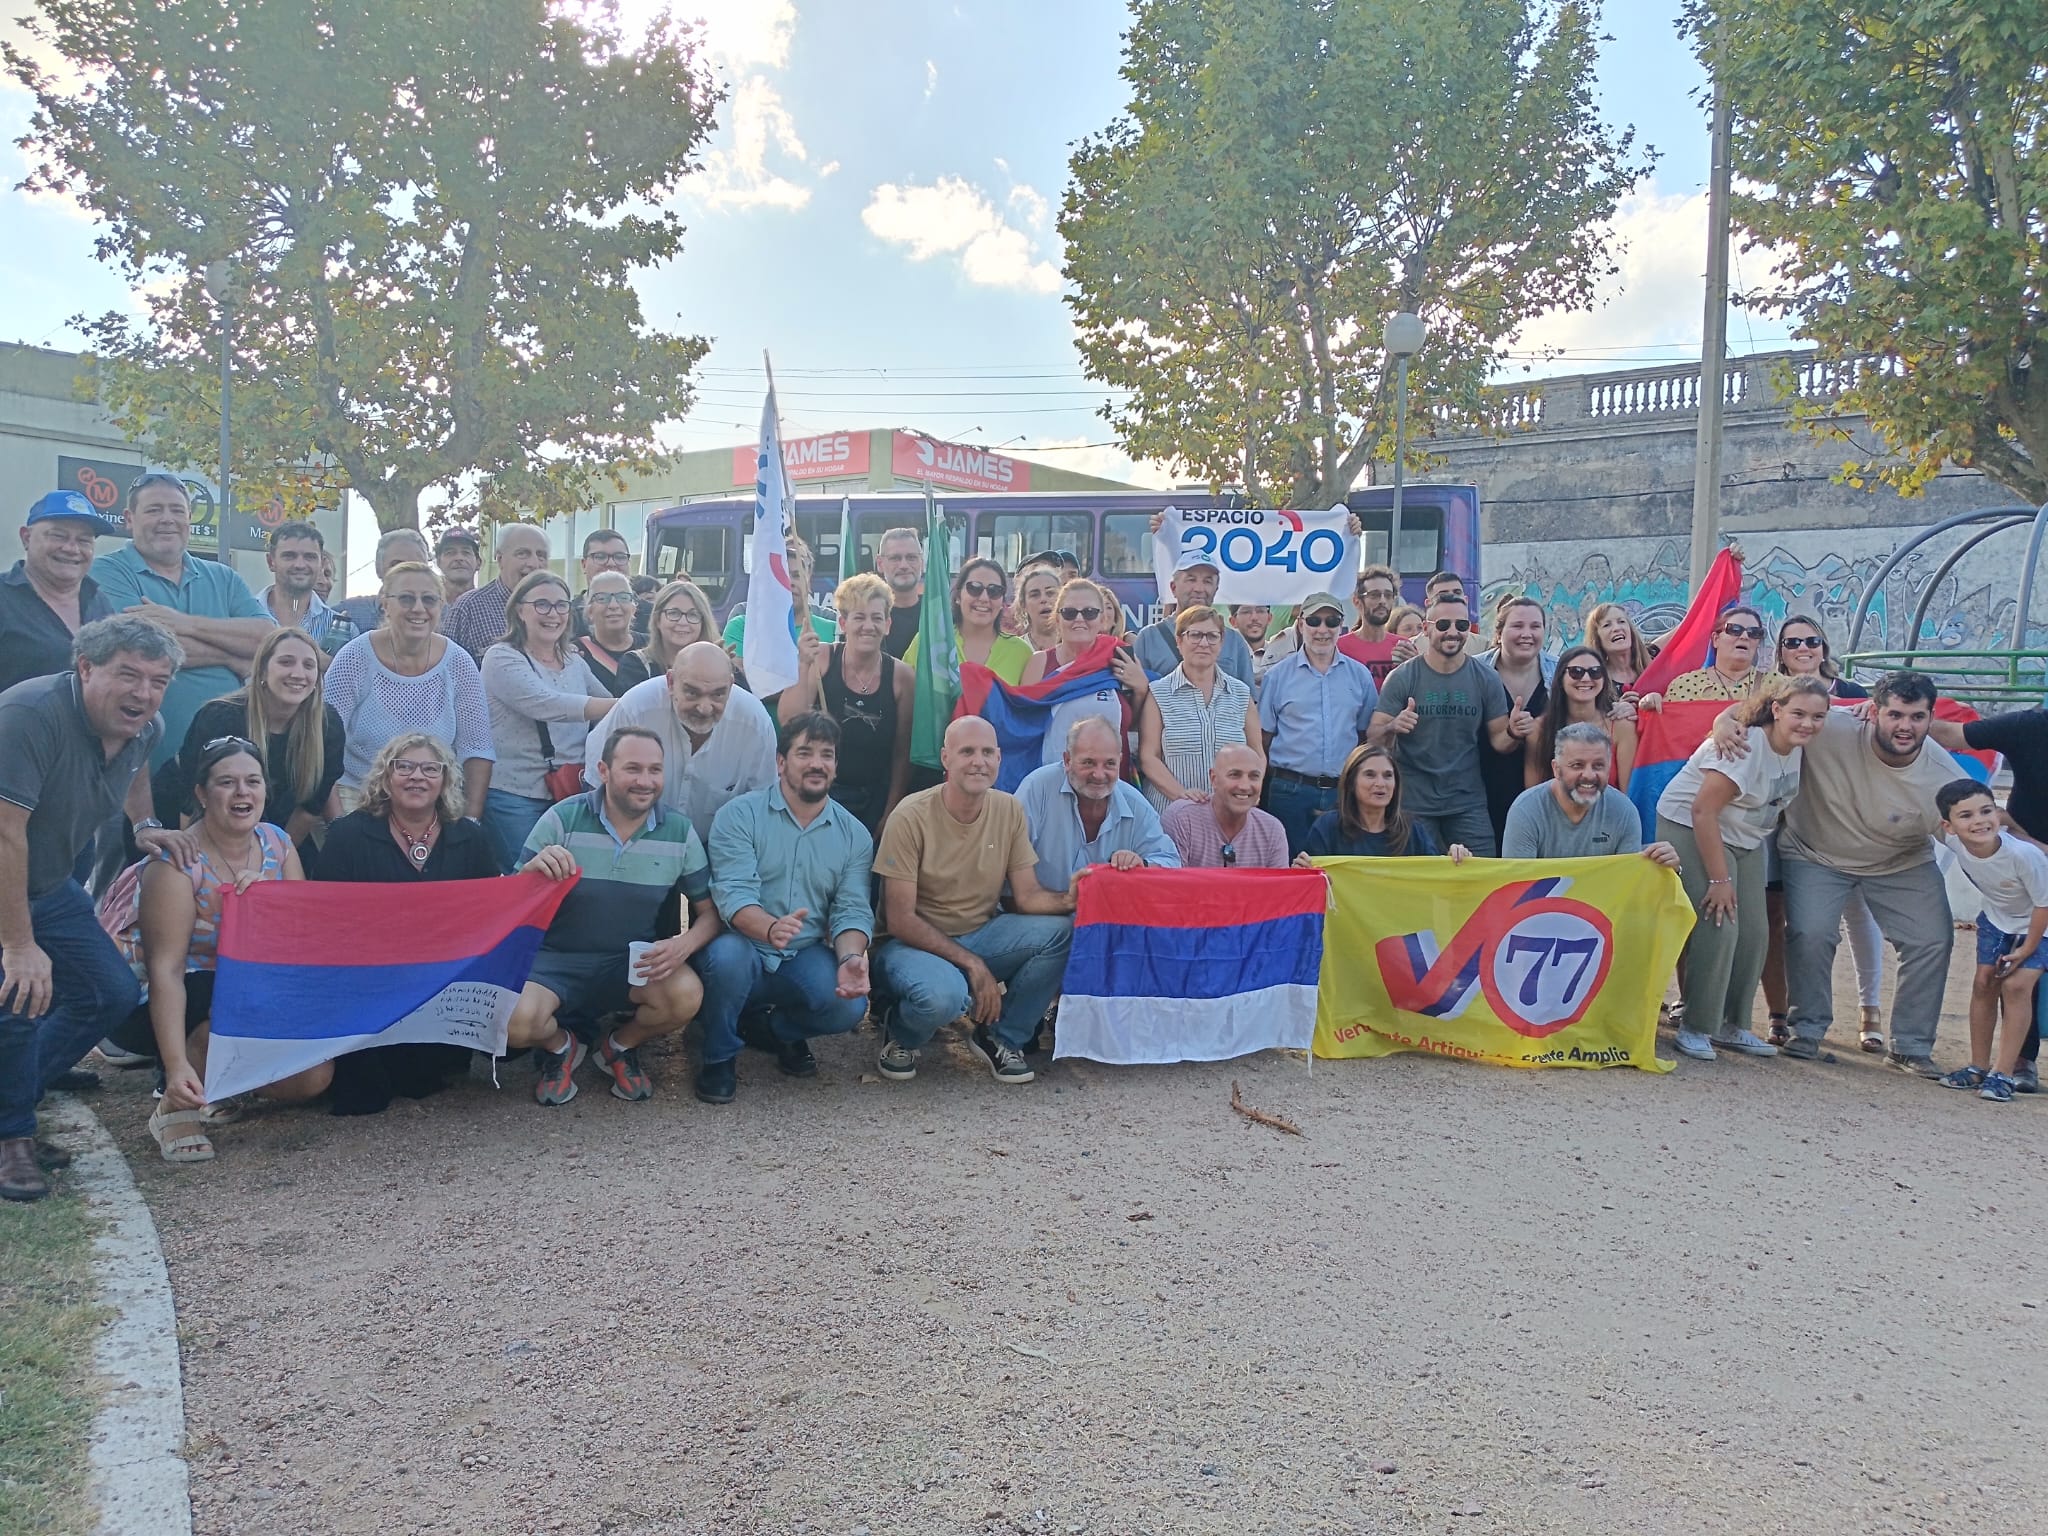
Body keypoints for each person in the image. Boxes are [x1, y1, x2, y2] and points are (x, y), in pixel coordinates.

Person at [0, 616, 188, 1200]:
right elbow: (5, 835)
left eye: (157, 680)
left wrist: (145, 824)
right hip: (8, 872)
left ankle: (16, 1096)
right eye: (127, 675)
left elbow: (132, 772)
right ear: (85, 668)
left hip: (48, 881)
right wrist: (19, 945)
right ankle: (12, 1139)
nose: (143, 693)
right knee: (18, 1000)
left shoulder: (144, 727)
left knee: (107, 992)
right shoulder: (30, 715)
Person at [1714, 671, 1964, 1072]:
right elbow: (1765, 711)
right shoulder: (1831, 724)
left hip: (1900, 861)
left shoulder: (1945, 777)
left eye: (1917, 717)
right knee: (1810, 932)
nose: (1905, 726)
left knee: (1932, 939)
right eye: (1895, 714)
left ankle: (1911, 1045)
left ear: (1930, 718)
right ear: (1873, 712)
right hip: (1814, 852)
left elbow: (1973, 838)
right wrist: (1724, 721)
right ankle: (1807, 1030)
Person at [105, 737, 320, 1162]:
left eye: (252, 781)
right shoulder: (177, 861)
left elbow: (303, 940)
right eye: (227, 782)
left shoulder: (277, 842)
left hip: (248, 985)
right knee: (223, 995)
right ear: (201, 794)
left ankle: (225, 1086)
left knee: (311, 1080)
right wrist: (174, 1064)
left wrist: (270, 907)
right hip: (159, 997)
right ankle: (176, 1102)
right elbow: (165, 969)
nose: (243, 792)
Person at [510, 726, 715, 1105]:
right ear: (603, 770)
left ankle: (617, 1046)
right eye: (632, 768)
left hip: (628, 961)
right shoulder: (562, 819)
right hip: (554, 961)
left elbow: (710, 914)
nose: (645, 781)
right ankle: (562, 1048)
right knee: (511, 1020)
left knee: (686, 995)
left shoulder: (679, 832)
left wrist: (684, 944)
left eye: (655, 770)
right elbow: (506, 900)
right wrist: (529, 872)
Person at [869, 716, 1074, 1086]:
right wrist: (974, 966)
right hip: (911, 945)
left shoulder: (1009, 810)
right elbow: (899, 920)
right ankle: (900, 1033)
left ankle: (1001, 1035)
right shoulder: (910, 816)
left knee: (1062, 931)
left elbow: (1027, 897)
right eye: (967, 752)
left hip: (981, 934)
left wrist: (1077, 898)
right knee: (944, 997)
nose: (978, 761)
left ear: (999, 758)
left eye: (986, 752)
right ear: (945, 759)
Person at [313, 732, 502, 1114]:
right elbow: (322, 917)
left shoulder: (469, 837)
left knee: (423, 1081)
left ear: (446, 781)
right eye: (405, 767)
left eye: (431, 769)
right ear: (385, 777)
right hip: (367, 987)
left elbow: (493, 909)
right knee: (364, 1095)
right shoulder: (348, 835)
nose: (418, 777)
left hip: (440, 985)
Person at [692, 713, 875, 1096]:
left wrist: (850, 958)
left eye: (827, 755)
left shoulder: (854, 834)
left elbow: (852, 909)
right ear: (780, 762)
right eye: (804, 753)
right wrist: (770, 928)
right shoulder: (739, 816)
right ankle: (718, 1056)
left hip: (802, 953)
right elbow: (733, 894)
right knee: (727, 960)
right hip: (742, 945)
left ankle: (776, 1031)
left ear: (836, 766)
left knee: (849, 1007)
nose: (816, 764)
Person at [1662, 676, 1831, 1061]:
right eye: (1798, 714)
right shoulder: (1746, 745)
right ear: (1776, 710)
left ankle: (1732, 1023)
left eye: (1817, 717)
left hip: (1746, 836)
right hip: (1692, 826)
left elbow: (1854, 708)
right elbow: (1702, 810)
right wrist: (1719, 880)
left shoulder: (1797, 744)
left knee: (1755, 932)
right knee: (1719, 922)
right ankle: (1696, 1025)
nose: (1808, 723)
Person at [91, 472, 273, 771]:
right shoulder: (107, 572)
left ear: (189, 518)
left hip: (224, 768)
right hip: (139, 765)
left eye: (177, 510)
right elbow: (142, 650)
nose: (167, 519)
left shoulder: (223, 577)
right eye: (154, 510)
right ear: (128, 518)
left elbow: (266, 637)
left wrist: (182, 623)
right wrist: (232, 655)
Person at [1761, 613, 1880, 1050]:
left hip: (1841, 817)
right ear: (1781, 652)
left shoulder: (1851, 694)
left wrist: (1875, 712)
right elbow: (1732, 721)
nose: (1803, 649)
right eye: (1792, 643)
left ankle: (1870, 1010)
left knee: (1857, 912)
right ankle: (1785, 1011)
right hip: (1782, 818)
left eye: (1811, 640)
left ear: (1824, 647)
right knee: (1789, 921)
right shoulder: (1767, 696)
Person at [1930, 701, 2048, 1088]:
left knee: (2020, 974)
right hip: (2032, 856)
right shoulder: (2028, 725)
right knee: (2007, 980)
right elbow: (1951, 734)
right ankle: (2014, 1063)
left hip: (2031, 871)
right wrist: (1889, 714)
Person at [323, 562, 495, 820]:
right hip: (357, 797)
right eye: (406, 598)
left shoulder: (459, 663)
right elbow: (323, 746)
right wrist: (339, 827)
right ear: (385, 604)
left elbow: (477, 749)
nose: (418, 608)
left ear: (441, 606)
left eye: (429, 599)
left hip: (434, 801)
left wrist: (469, 821)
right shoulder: (354, 657)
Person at [155, 627, 345, 855]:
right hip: (182, 820)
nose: (298, 673)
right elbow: (190, 800)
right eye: (286, 662)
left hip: (276, 828)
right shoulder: (220, 717)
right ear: (263, 671)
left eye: (308, 665)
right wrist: (197, 865)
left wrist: (272, 860)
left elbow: (309, 809)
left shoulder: (327, 725)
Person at [1370, 593, 1528, 858]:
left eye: (1461, 625)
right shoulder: (1403, 677)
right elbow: (1373, 738)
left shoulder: (1486, 677)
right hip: (1413, 802)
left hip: (1467, 802)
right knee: (1419, 885)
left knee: (1481, 879)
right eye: (1443, 625)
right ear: (1426, 628)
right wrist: (1393, 726)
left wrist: (1514, 731)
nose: (1453, 632)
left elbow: (1500, 740)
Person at [480, 569, 615, 868]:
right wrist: (627, 703)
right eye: (542, 604)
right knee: (529, 881)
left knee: (570, 881)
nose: (552, 613)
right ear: (519, 610)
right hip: (516, 795)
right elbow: (547, 704)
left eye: (561, 605)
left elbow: (607, 709)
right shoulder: (501, 657)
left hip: (570, 792)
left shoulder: (573, 660)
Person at [584, 641, 777, 842]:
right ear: (670, 682)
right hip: (633, 844)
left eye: (718, 694)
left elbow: (762, 806)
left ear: (730, 685)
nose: (704, 708)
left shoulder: (755, 723)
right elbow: (596, 787)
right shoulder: (635, 707)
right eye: (692, 693)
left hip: (717, 849)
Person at [780, 573, 912, 837]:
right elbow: (789, 721)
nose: (868, 626)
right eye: (859, 617)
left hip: (876, 796)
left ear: (887, 624)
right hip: (824, 793)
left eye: (876, 618)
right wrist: (803, 663)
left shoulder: (902, 676)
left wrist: (891, 812)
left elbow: (903, 752)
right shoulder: (823, 659)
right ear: (843, 622)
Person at [1257, 591, 1380, 855]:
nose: (1322, 629)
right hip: (1289, 792)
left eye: (1331, 621)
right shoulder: (1277, 676)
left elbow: (1364, 736)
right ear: (1301, 624)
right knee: (1291, 873)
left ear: (1341, 625)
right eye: (1314, 621)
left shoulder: (1360, 676)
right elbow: (1263, 738)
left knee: (1342, 874)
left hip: (1343, 792)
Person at [1018, 717, 1182, 895]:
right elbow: (1008, 859)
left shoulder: (1135, 804)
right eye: (1088, 762)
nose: (1099, 774)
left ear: (1120, 762)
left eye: (1109, 764)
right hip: (1037, 913)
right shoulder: (1037, 788)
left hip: (1103, 916)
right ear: (1067, 761)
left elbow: (1170, 861)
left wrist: (1143, 864)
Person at [1018, 578, 1151, 774]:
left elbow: (1133, 725)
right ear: (1057, 619)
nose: (1079, 619)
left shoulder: (1121, 656)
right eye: (1070, 613)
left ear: (1102, 619)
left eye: (1089, 612)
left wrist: (1141, 689)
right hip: (1052, 778)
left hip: (1108, 779)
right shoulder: (1039, 663)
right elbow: (1023, 728)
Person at [1137, 605, 1260, 811]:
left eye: (1212, 636)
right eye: (1195, 635)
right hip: (1171, 812)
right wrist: (1182, 796)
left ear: (1221, 643)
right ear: (1179, 641)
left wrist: (1250, 792)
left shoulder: (1240, 694)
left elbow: (1257, 753)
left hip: (1229, 815)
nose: (1204, 643)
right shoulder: (1158, 693)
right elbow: (1149, 757)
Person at [1505, 722, 1679, 864]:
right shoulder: (1526, 810)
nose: (1589, 775)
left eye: (1598, 766)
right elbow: (1517, 885)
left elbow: (1629, 883)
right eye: (1577, 765)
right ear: (1556, 770)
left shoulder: (1624, 811)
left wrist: (1664, 865)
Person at [0, 490, 116, 697]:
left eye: (84, 540)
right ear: (26, 538)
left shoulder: (100, 602)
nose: (71, 548)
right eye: (58, 535)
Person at [1476, 595, 1555, 849]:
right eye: (1517, 626)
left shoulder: (1562, 670)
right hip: (1483, 790)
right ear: (1499, 633)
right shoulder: (1474, 670)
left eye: (1535, 626)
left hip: (1542, 793)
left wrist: (1623, 706)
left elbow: (1595, 707)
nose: (1527, 634)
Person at [1293, 744, 1462, 860]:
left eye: (1388, 775)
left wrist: (1457, 858)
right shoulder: (1327, 827)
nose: (1380, 783)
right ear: (1351, 782)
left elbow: (1434, 879)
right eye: (1370, 775)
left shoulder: (1412, 830)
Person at [1134, 550, 1257, 688]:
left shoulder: (1234, 642)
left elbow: (1248, 700)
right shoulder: (1148, 638)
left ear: (1216, 589)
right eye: (1191, 580)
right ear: (1173, 588)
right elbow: (1138, 695)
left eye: (1207, 581)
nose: (1199, 588)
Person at [904, 558, 1033, 683]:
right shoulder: (928, 643)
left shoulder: (1021, 652)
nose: (984, 598)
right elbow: (903, 692)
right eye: (974, 588)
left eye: (994, 591)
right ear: (958, 596)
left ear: (1002, 601)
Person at [1161, 744, 1289, 869]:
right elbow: (1172, 885)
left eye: (1254, 776)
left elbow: (1281, 888)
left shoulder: (1272, 830)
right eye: (1234, 775)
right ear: (1214, 779)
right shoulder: (1182, 819)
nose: (1244, 786)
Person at [1527, 645, 1637, 789]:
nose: (1586, 678)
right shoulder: (1539, 729)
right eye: (1576, 672)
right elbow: (1533, 793)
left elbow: (1628, 794)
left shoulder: (1621, 726)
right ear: (1560, 677)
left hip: (1609, 810)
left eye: (1595, 672)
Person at [442, 522, 550, 662]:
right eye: (523, 554)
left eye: (541, 556)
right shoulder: (469, 608)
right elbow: (447, 669)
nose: (534, 563)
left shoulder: (558, 611)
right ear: (500, 559)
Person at [722, 535, 836, 663]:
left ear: (808, 583)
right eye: (781, 576)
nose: (789, 582)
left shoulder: (834, 630)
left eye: (796, 575)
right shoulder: (741, 628)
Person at [1639, 605, 1769, 708]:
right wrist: (1654, 703)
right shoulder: (1685, 686)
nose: (1744, 637)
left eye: (1754, 633)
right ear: (1715, 639)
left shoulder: (1777, 686)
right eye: (1735, 629)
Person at [259, 521, 357, 656]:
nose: (300, 564)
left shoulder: (345, 632)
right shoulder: (242, 616)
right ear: (271, 562)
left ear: (321, 563)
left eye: (309, 557)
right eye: (289, 556)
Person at [573, 570, 654, 698]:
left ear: (633, 608)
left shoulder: (652, 647)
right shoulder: (575, 654)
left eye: (622, 597)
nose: (613, 605)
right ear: (589, 611)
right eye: (602, 598)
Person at [334, 526, 430, 633]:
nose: (407, 573)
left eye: (415, 566)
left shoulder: (445, 616)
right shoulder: (347, 613)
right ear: (378, 569)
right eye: (397, 565)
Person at [568, 528, 650, 644]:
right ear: (584, 564)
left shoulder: (652, 615)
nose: (611, 563)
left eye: (620, 557)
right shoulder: (567, 618)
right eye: (600, 557)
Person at [638, 578, 718, 678]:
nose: (683, 622)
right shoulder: (637, 664)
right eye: (674, 613)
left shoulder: (719, 664)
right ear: (657, 619)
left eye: (693, 615)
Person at [1339, 565, 1403, 685]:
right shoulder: (1339, 648)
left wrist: (1414, 666)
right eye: (1374, 595)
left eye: (1388, 595)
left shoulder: (1403, 647)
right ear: (1357, 602)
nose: (1382, 601)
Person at [1584, 602, 1653, 698]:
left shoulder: (1652, 656)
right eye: (1607, 625)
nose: (1616, 628)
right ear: (1597, 638)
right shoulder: (1594, 682)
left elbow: (1679, 635)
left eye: (1621, 621)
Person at [875, 526, 925, 658]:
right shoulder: (869, 616)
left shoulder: (937, 614)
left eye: (911, 557)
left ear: (922, 562)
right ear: (880, 563)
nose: (904, 565)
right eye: (895, 558)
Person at [1014, 560, 1063, 653]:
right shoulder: (1014, 649)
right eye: (1035, 595)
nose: (1043, 599)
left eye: (1050, 593)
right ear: (1024, 605)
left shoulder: (1074, 645)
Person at [1229, 603, 1280, 682]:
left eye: (1260, 611)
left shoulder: (1281, 655)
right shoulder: (1223, 658)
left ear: (1269, 618)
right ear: (1233, 621)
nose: (1254, 618)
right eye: (1246, 612)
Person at [435, 526, 482, 606]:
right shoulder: (427, 607)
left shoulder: (493, 608)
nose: (459, 558)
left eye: (466, 552)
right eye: (450, 553)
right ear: (438, 562)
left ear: (478, 562)